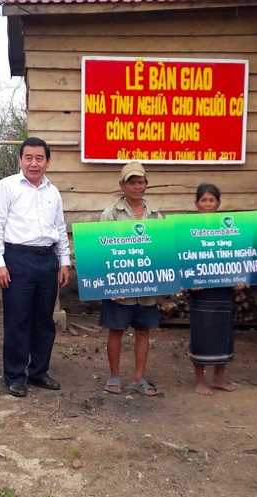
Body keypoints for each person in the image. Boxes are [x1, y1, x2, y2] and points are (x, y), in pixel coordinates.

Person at [0, 137, 71, 397]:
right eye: (29, 158)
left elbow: (59, 227)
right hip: (17, 259)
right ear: (20, 160)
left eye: (39, 158)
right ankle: (14, 375)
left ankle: (39, 372)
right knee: (17, 319)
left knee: (44, 319)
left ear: (47, 161)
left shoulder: (52, 191)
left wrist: (64, 261)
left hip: (47, 260)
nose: (34, 163)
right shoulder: (6, 187)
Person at [99, 161, 164, 397]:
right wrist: (109, 285)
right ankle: (114, 376)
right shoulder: (111, 214)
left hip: (146, 288)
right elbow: (102, 250)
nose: (137, 186)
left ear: (146, 184)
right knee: (115, 331)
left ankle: (139, 378)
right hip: (120, 288)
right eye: (132, 182)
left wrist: (165, 281)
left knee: (143, 331)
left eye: (141, 182)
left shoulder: (156, 215)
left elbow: (162, 250)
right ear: (122, 185)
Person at [186, 183, 243, 395]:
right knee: (201, 334)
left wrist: (240, 277)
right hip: (200, 291)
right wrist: (189, 279)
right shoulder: (188, 228)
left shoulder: (228, 227)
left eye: (211, 200)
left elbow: (237, 255)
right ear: (197, 203)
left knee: (223, 333)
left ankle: (219, 378)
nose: (207, 204)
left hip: (223, 289)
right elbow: (183, 257)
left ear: (218, 203)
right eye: (204, 200)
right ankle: (200, 380)